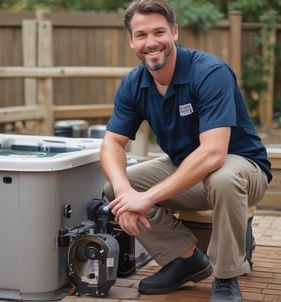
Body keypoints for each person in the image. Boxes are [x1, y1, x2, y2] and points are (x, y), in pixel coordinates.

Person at [99, 0, 272, 301]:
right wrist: (126, 193)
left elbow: (213, 155)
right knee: (115, 189)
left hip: (243, 168)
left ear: (175, 32)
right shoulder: (134, 83)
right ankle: (186, 259)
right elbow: (112, 143)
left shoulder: (209, 72)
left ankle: (226, 276)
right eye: (141, 35)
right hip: (186, 168)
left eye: (159, 32)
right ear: (131, 41)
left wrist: (147, 198)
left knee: (223, 178)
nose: (151, 43)